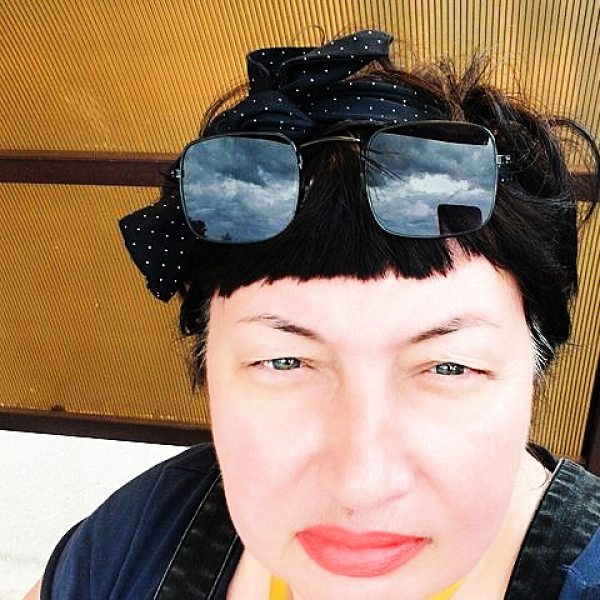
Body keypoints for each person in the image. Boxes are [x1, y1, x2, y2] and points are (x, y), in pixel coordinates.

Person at [30, 29, 600, 599]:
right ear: (207, 366)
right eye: (284, 361)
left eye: (448, 367)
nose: (361, 485)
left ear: (534, 371)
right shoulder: (138, 537)